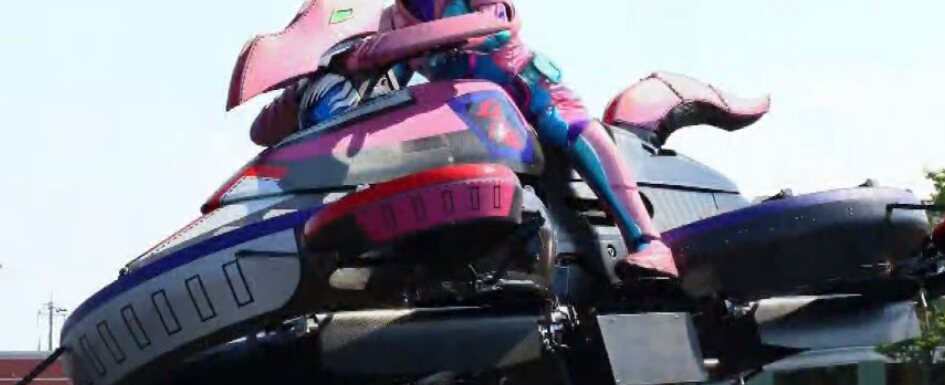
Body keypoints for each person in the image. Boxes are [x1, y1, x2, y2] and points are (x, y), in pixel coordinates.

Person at [252, 0, 678, 278]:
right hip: (471, 114)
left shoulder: (410, 27)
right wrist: (323, 79)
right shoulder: (394, 19)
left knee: (567, 128)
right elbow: (386, 87)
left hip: (526, 90)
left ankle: (648, 242)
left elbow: (496, 24)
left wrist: (390, 47)